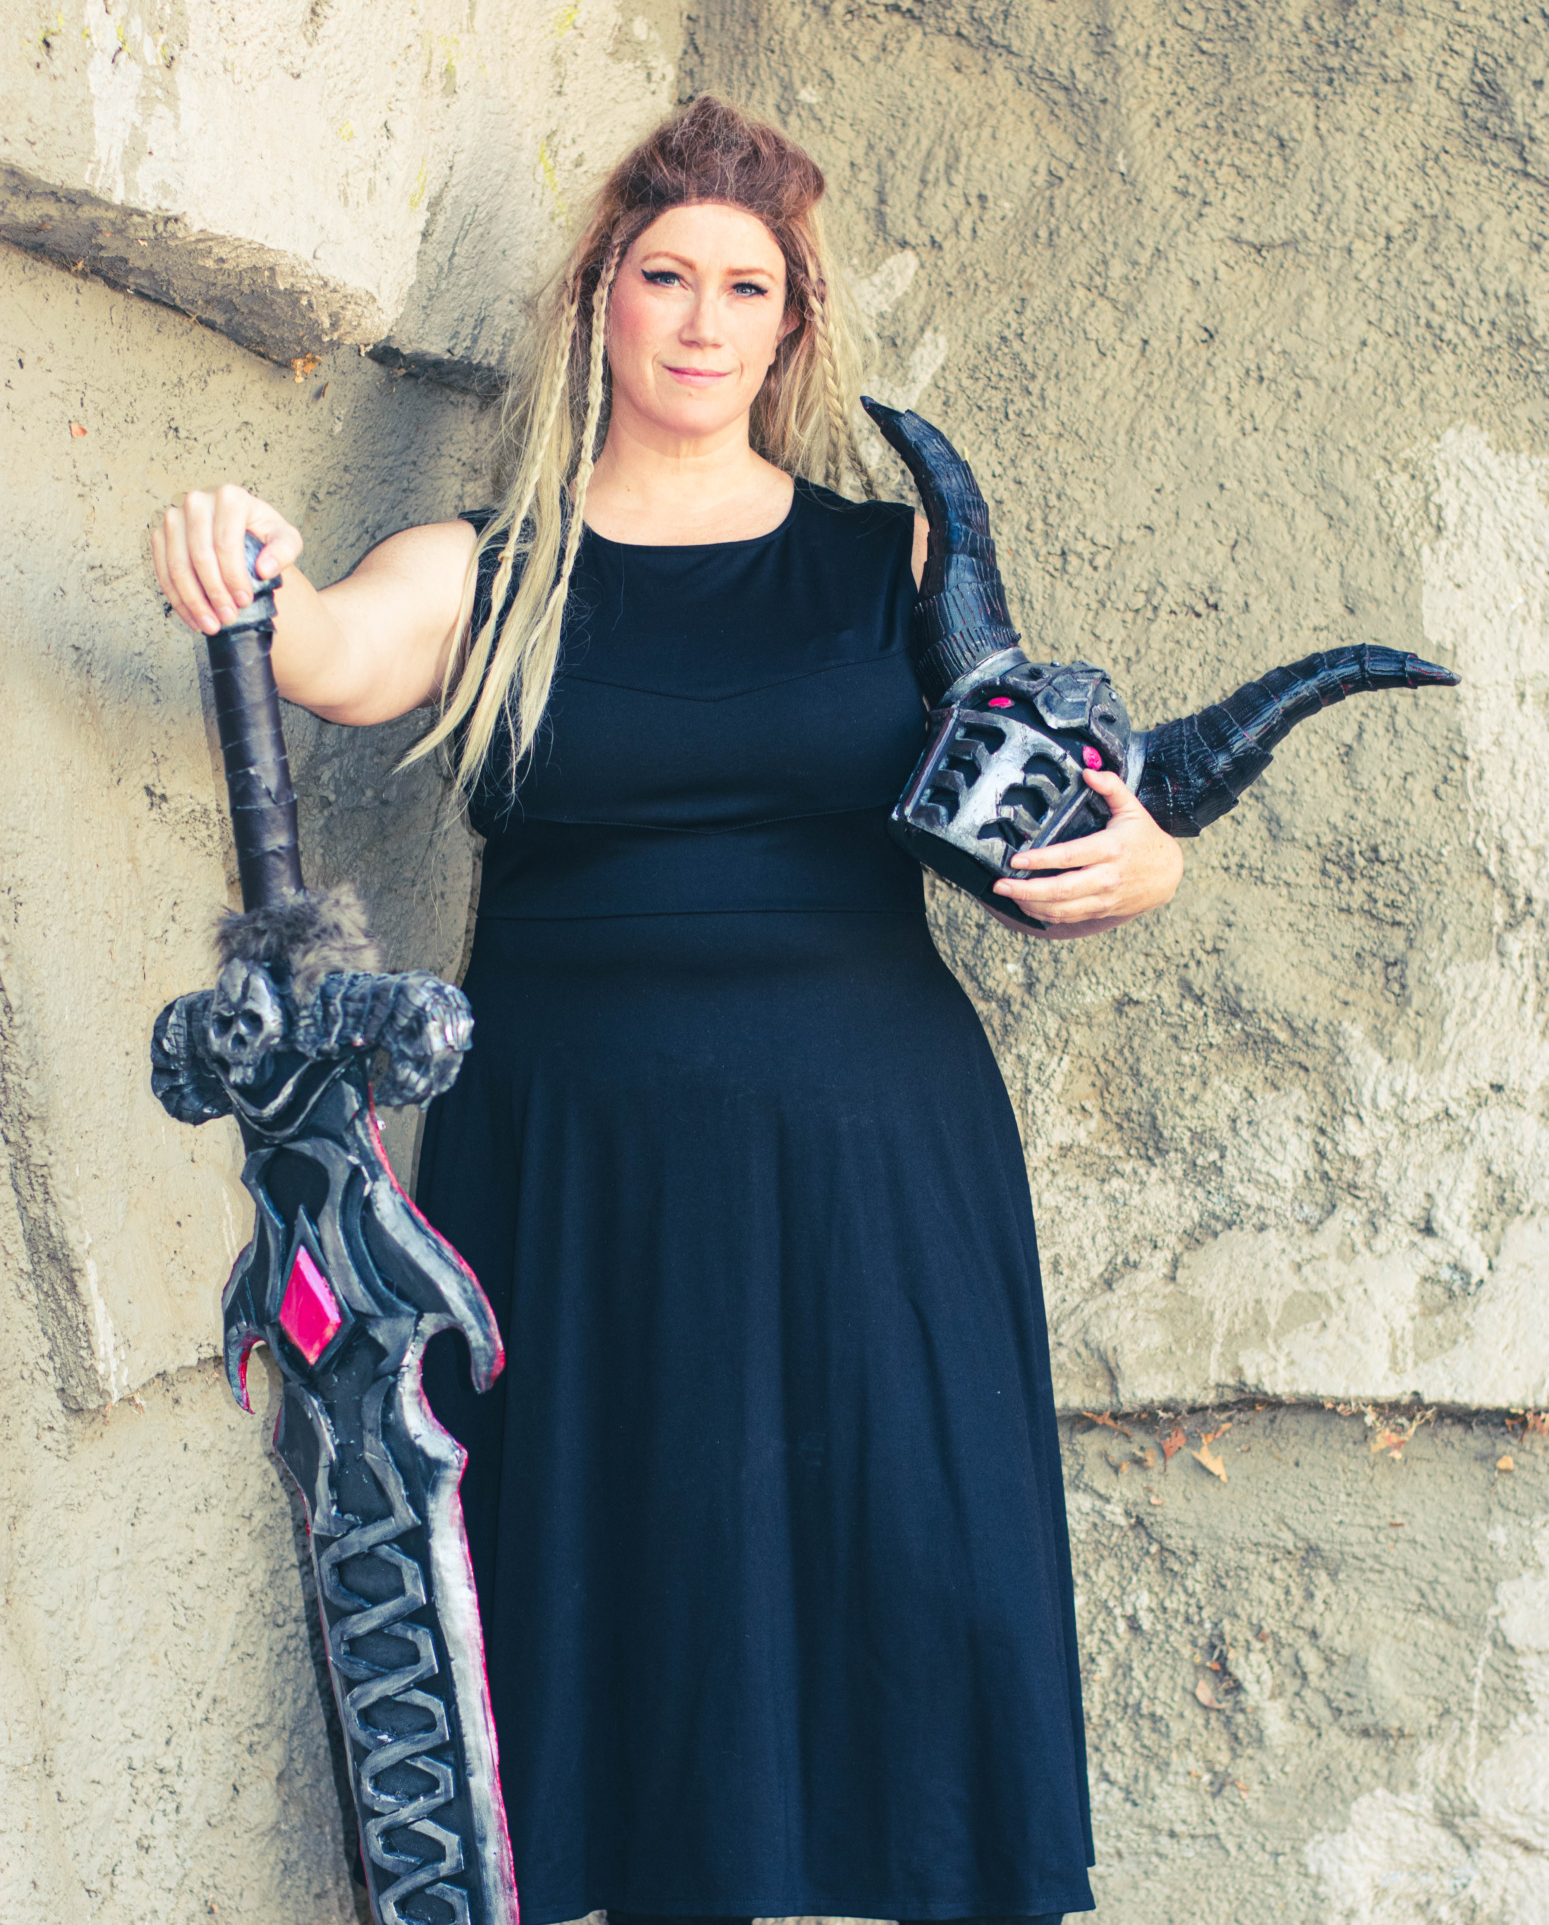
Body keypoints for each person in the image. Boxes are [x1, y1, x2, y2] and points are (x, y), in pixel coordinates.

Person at [152, 96, 1181, 1925]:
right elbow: (330, 653)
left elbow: (1054, 821)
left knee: (905, 1579)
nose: (701, 321)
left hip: (874, 1159)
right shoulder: (490, 568)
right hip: (575, 1168)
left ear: (791, 326)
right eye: (664, 277)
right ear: (598, 306)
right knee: (626, 1592)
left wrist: (1143, 866)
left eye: (744, 287)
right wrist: (247, 561)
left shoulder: (898, 568)